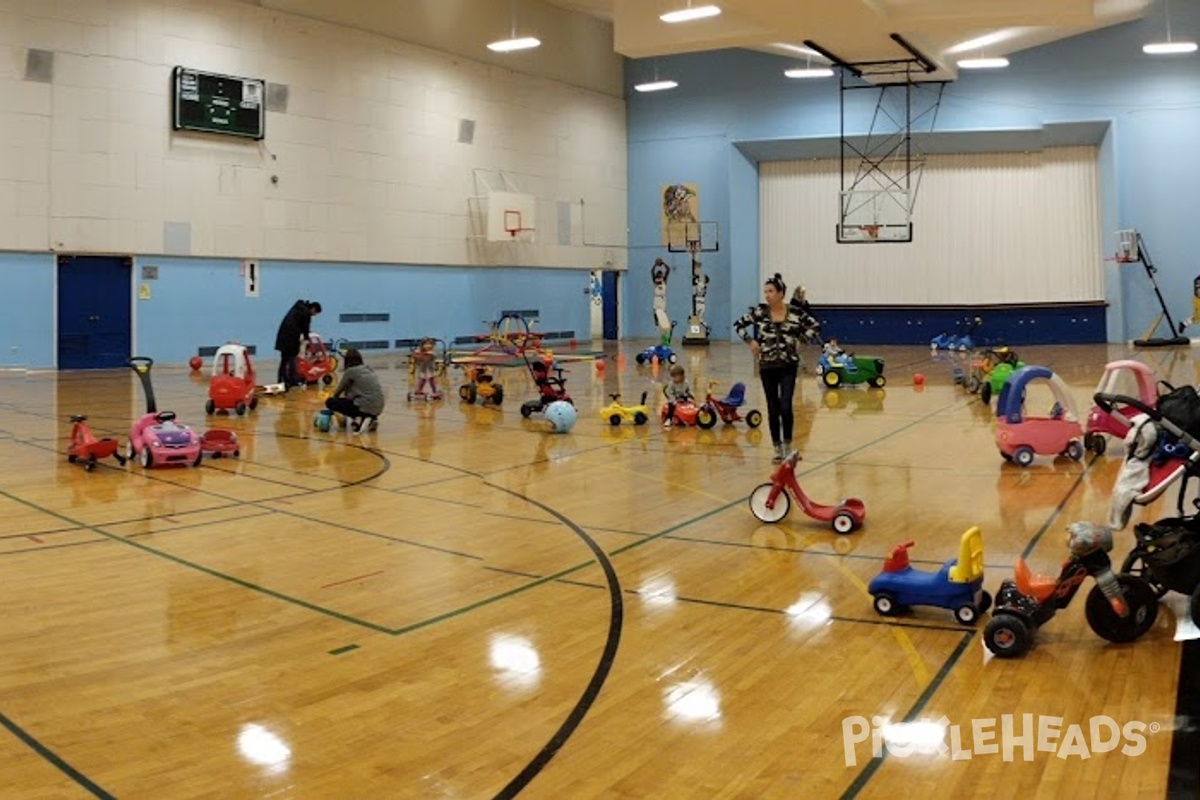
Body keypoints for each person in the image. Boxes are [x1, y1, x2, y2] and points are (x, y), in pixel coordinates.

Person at [734, 274, 820, 462]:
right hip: (767, 366)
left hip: (788, 365)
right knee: (772, 408)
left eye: (771, 291)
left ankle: (788, 446)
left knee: (785, 406)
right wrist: (751, 341)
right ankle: (777, 449)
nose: (767, 295)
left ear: (781, 293)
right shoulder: (760, 313)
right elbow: (739, 325)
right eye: (765, 292)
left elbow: (815, 326)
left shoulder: (795, 313)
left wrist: (801, 340)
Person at [324, 348, 385, 432]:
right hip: (379, 407)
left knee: (330, 402)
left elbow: (338, 391)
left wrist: (333, 405)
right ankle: (369, 419)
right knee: (362, 402)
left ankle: (358, 417)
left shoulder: (351, 371)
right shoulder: (368, 369)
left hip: (363, 405)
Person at [274, 300, 322, 387]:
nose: (314, 315)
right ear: (313, 309)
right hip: (291, 338)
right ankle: (292, 381)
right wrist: (307, 338)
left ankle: (281, 380)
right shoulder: (306, 313)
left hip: (283, 337)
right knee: (292, 359)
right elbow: (305, 328)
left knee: (284, 360)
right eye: (315, 313)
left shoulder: (297, 308)